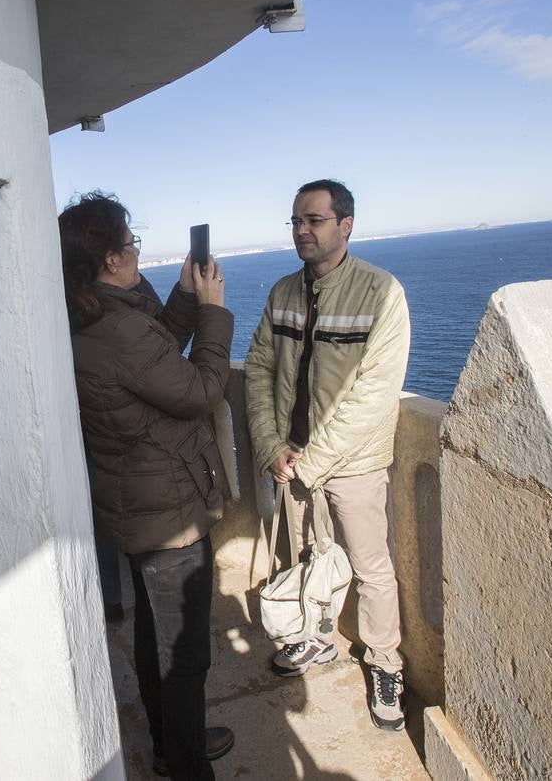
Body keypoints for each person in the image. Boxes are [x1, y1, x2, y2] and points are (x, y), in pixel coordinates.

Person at [59, 192, 235, 779]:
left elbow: (154, 348)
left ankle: (167, 744)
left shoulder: (92, 314)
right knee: (183, 658)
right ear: (110, 259)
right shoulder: (114, 328)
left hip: (137, 507)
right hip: (167, 514)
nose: (136, 251)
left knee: (152, 636)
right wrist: (212, 310)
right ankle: (186, 764)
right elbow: (200, 389)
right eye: (130, 243)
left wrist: (185, 296)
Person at [243, 179, 411, 731]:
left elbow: (372, 396)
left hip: (353, 464)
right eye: (295, 221)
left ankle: (386, 663)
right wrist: (272, 446)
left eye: (313, 220)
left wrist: (311, 463)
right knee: (305, 556)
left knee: (370, 567)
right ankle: (316, 639)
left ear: (346, 225)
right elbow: (261, 370)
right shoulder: (282, 292)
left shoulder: (381, 292)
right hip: (290, 459)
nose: (302, 232)